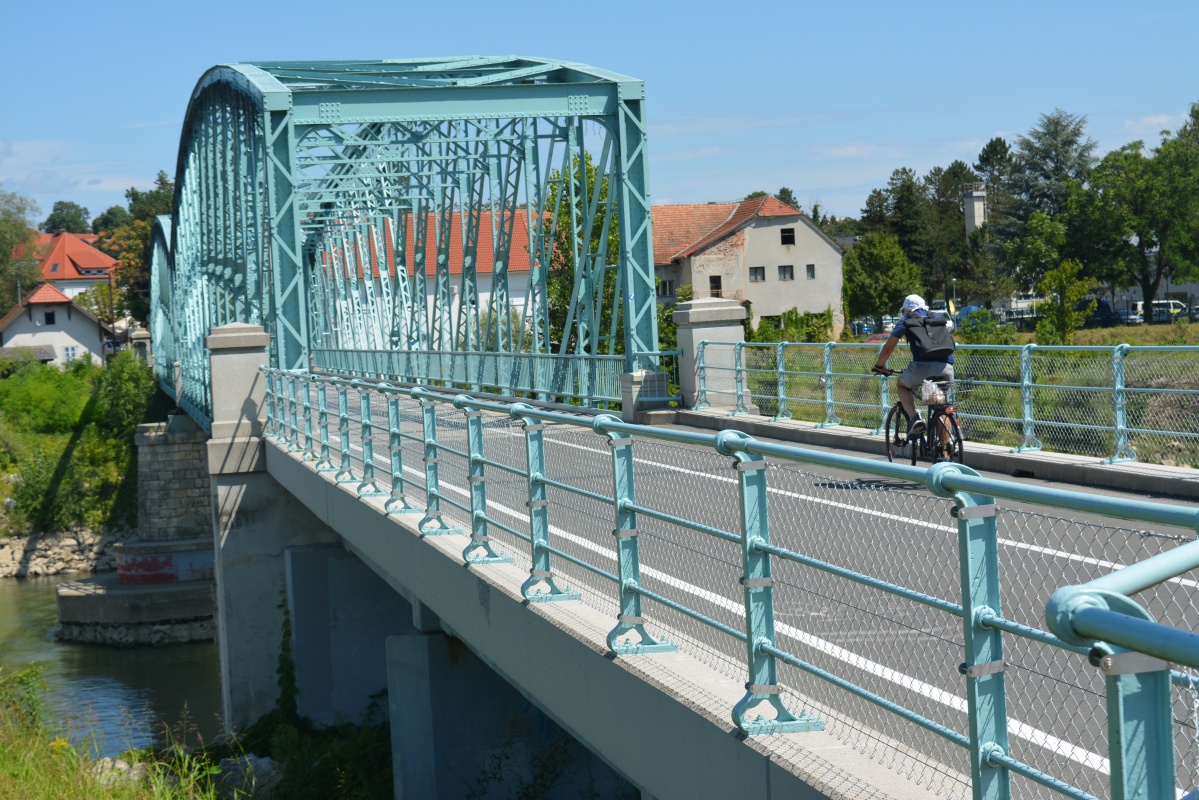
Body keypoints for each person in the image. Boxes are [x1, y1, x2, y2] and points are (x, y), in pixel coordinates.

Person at [872, 294, 954, 437]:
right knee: (941, 408)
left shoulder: (906, 319)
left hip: (921, 366)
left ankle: (914, 418)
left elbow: (888, 348)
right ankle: (946, 451)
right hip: (946, 366)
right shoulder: (936, 316)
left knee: (903, 386)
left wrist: (880, 366)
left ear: (907, 309)